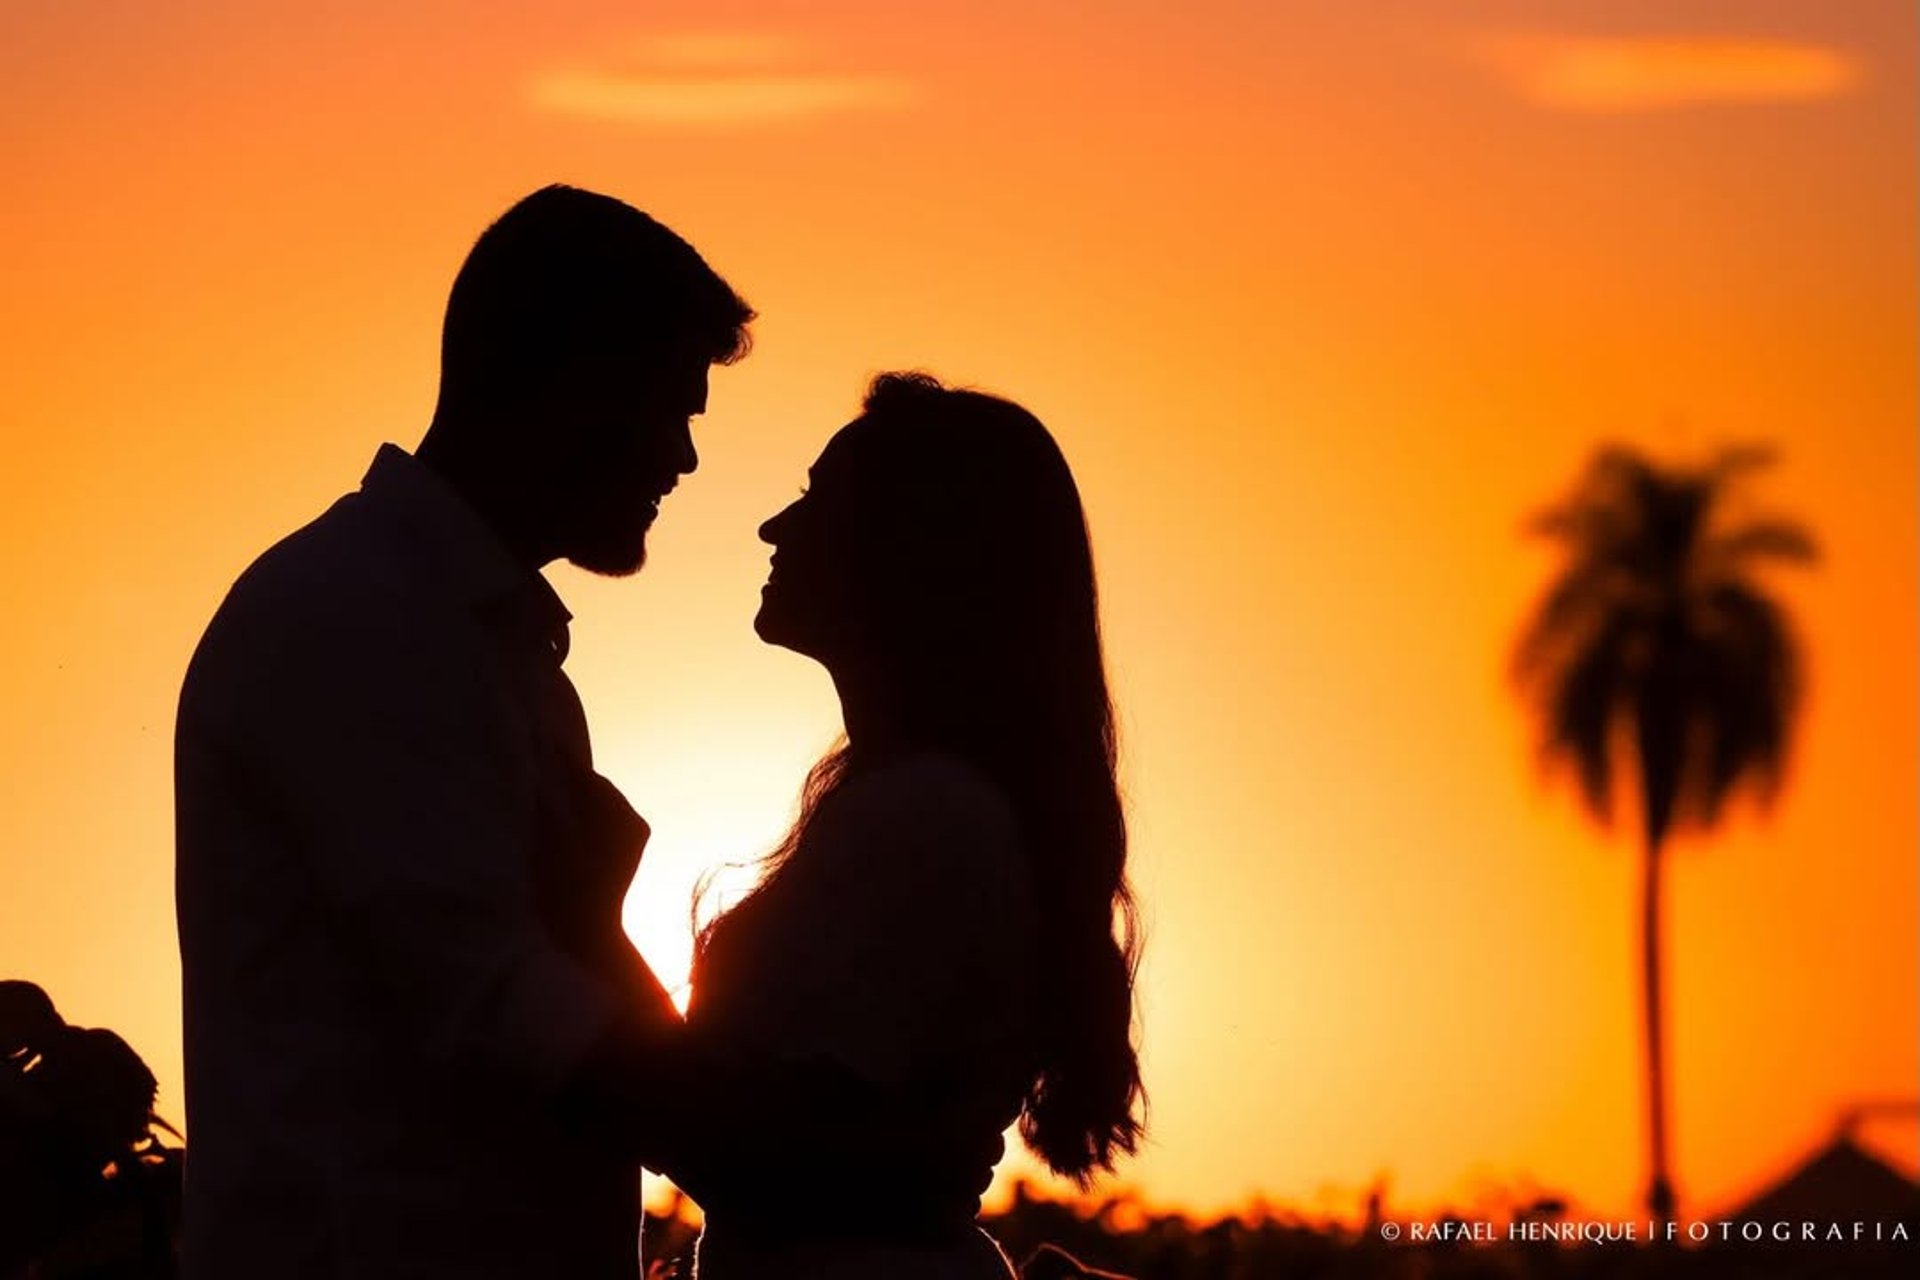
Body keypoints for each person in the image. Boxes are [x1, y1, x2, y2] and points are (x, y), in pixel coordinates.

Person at [173, 184, 751, 1279]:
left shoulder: (493, 648)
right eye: (667, 410)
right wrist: (778, 1141)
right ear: (566, 383)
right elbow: (492, 1004)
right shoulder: (357, 615)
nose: (682, 459)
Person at [678, 373, 1146, 1279]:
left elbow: (771, 1142)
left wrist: (582, 938)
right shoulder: (913, 802)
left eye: (817, 500)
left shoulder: (928, 817)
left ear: (911, 549)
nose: (776, 527)